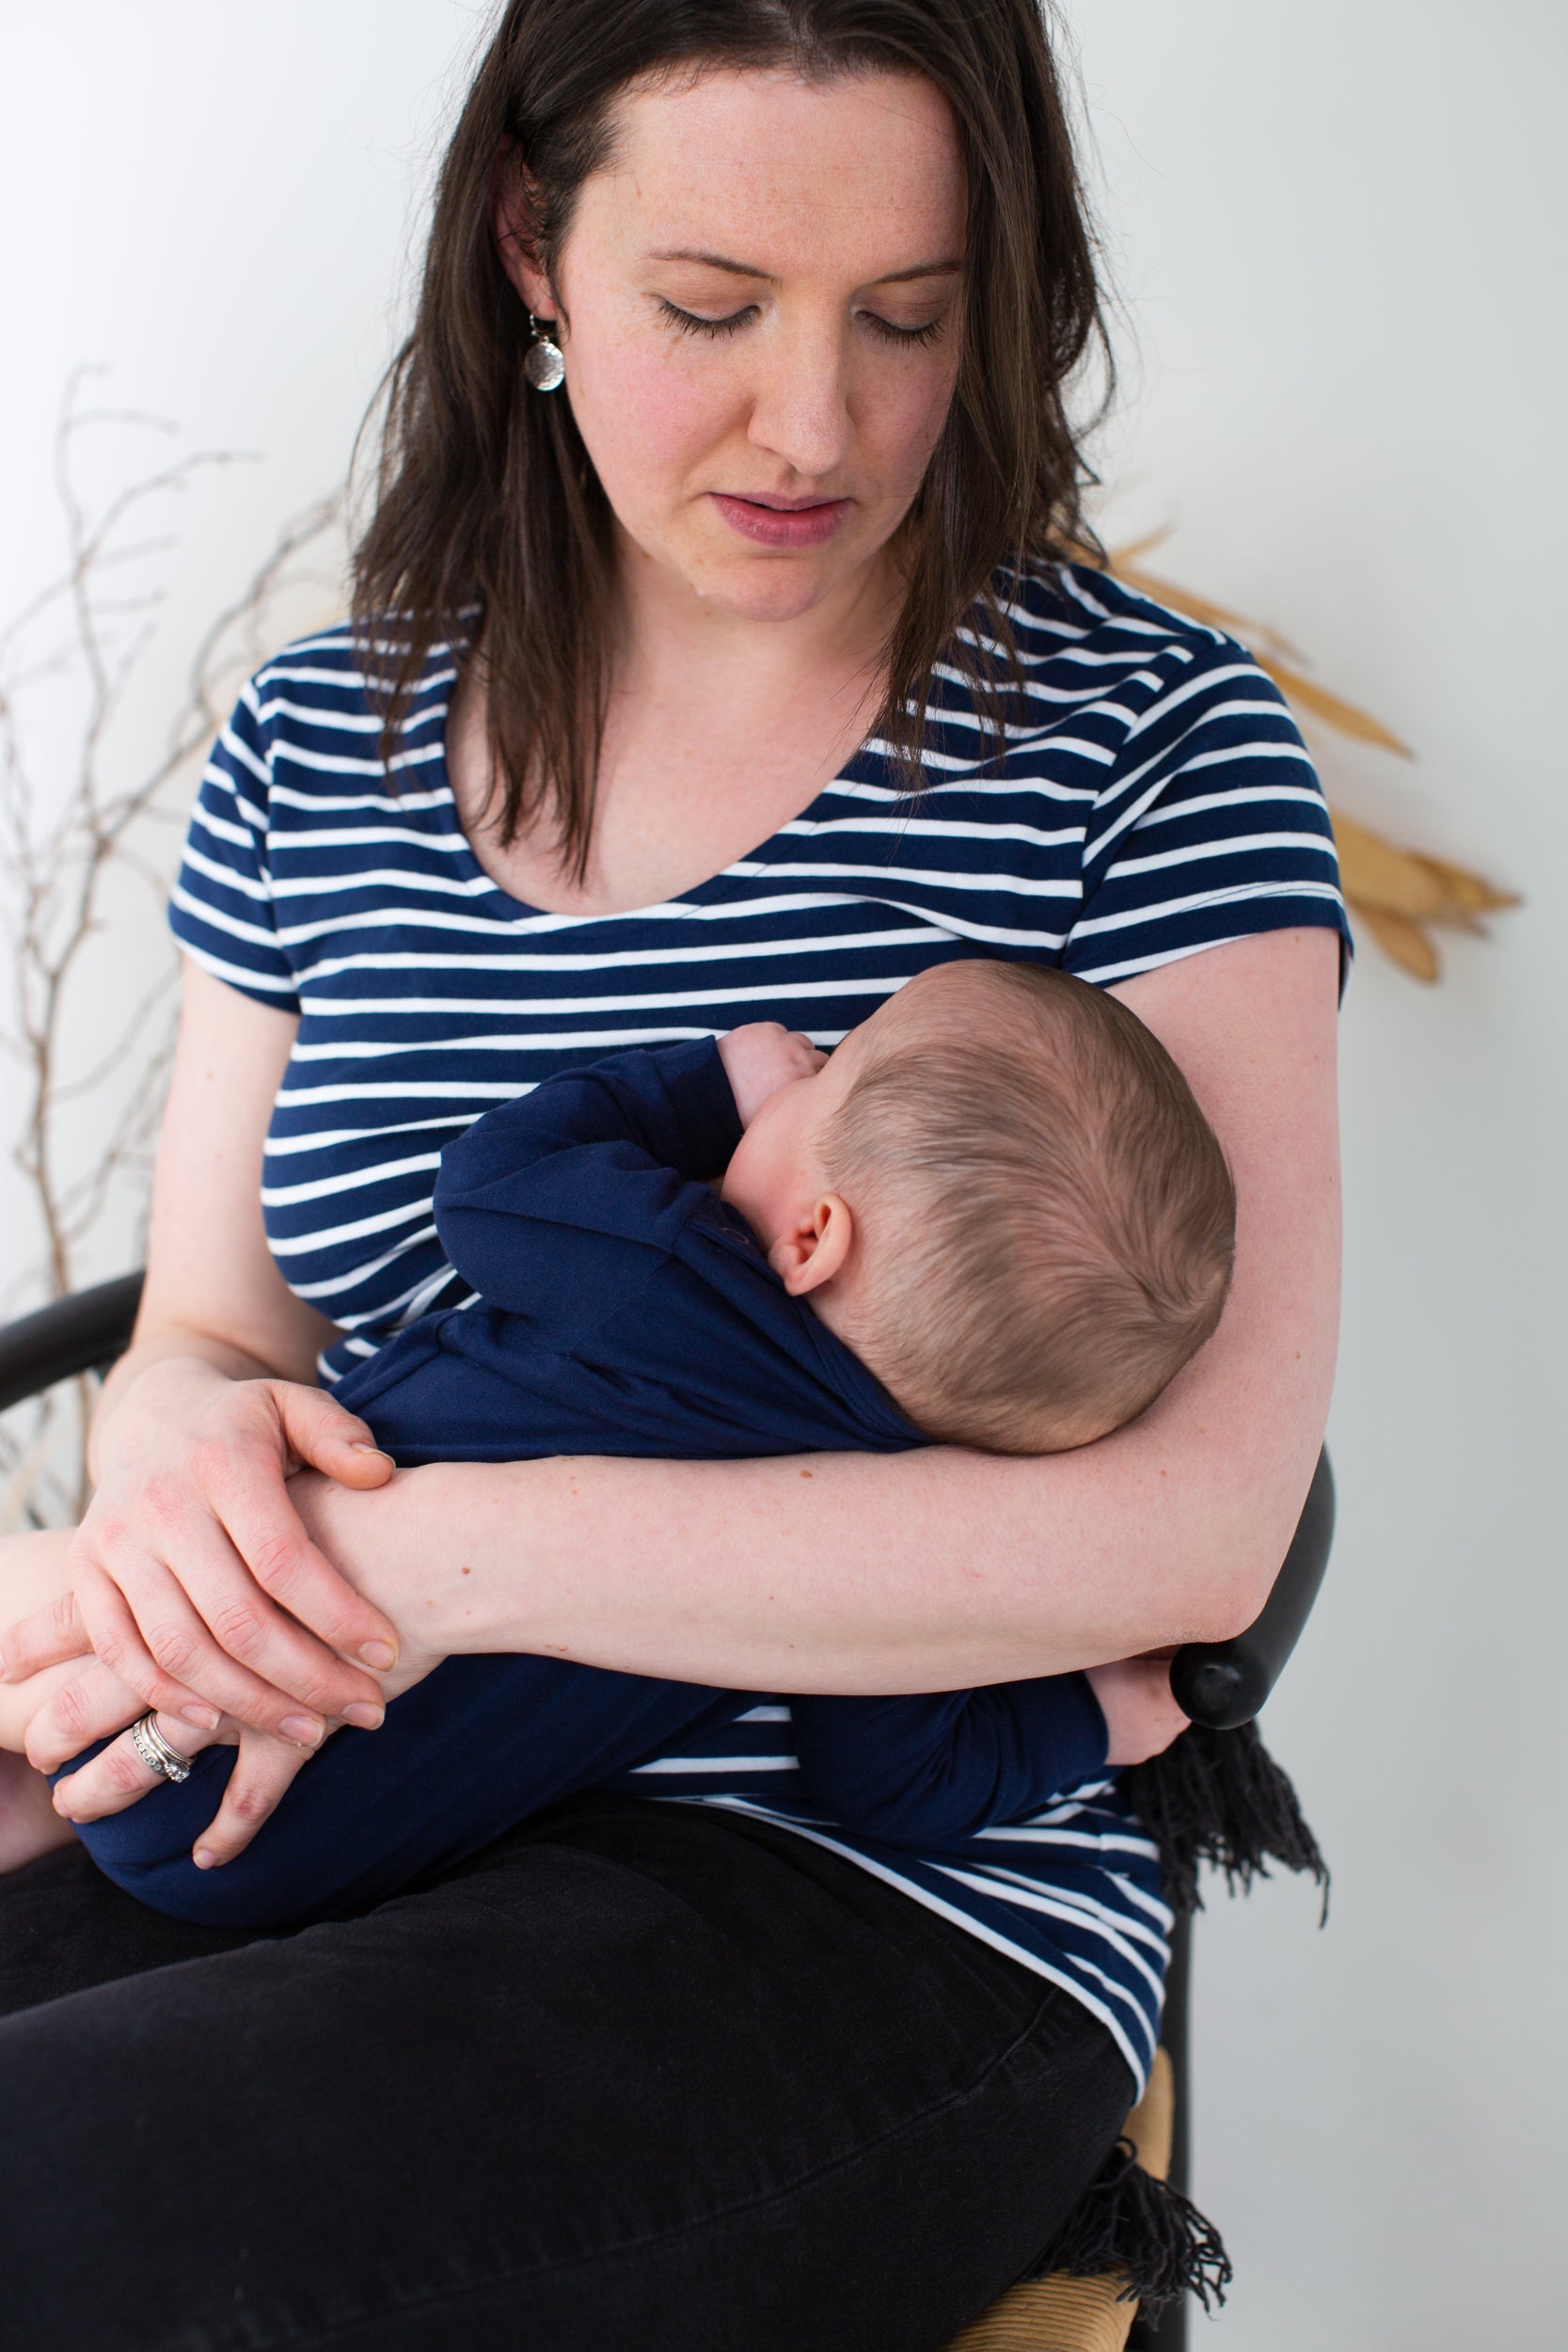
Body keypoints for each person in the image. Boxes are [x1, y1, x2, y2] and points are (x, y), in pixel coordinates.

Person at [0, 5, 1345, 2347]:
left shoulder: (1152, 744)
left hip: (848, 1880)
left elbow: (1197, 1524)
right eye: (711, 311)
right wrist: (198, 1445)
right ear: (532, 245)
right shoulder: (322, 745)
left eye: (908, 319)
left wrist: (451, 1561)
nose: (815, 423)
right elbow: (212, 1326)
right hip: (329, 1770)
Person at [9, 961, 1233, 1928]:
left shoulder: (668, 1270)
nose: (803, 1061)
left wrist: (710, 1086)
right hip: (284, 1870)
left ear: (812, 1236)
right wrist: (1094, 1724)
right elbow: (900, 1785)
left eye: (831, 1071)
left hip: (195, 1628)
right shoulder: (883, 1544)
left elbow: (488, 1186)